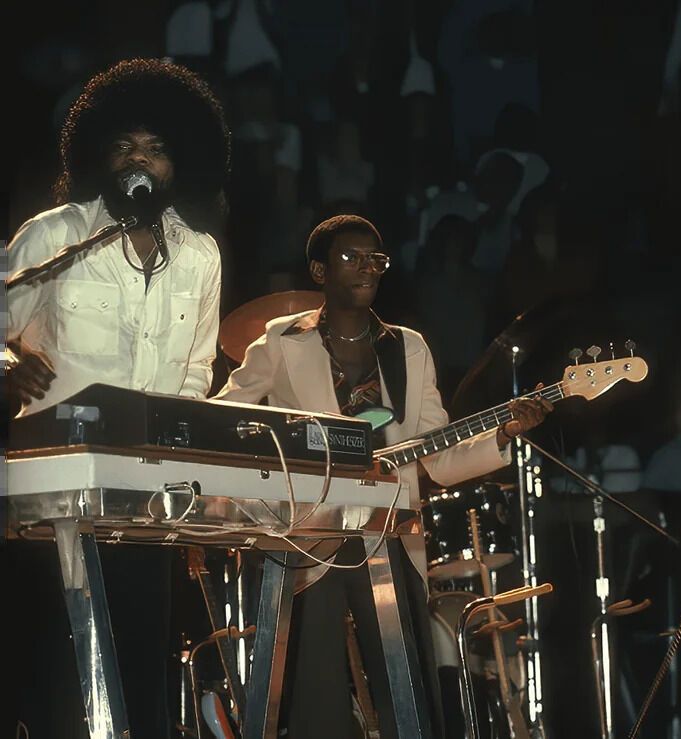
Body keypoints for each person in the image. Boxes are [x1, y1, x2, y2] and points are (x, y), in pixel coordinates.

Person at [214, 214, 552, 738]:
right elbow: (227, 418)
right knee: (316, 695)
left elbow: (436, 456)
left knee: (407, 690)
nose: (368, 267)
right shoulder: (281, 341)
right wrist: (277, 472)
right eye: (352, 257)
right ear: (318, 271)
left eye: (377, 258)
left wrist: (502, 436)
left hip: (389, 533)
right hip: (310, 537)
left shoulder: (409, 347)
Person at [4, 58, 230, 737]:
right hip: (51, 494)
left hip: (146, 497)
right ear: (98, 156)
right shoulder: (56, 234)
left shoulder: (202, 257)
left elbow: (196, 374)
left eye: (155, 148)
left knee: (139, 676)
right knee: (58, 679)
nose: (140, 160)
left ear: (178, 161)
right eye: (124, 146)